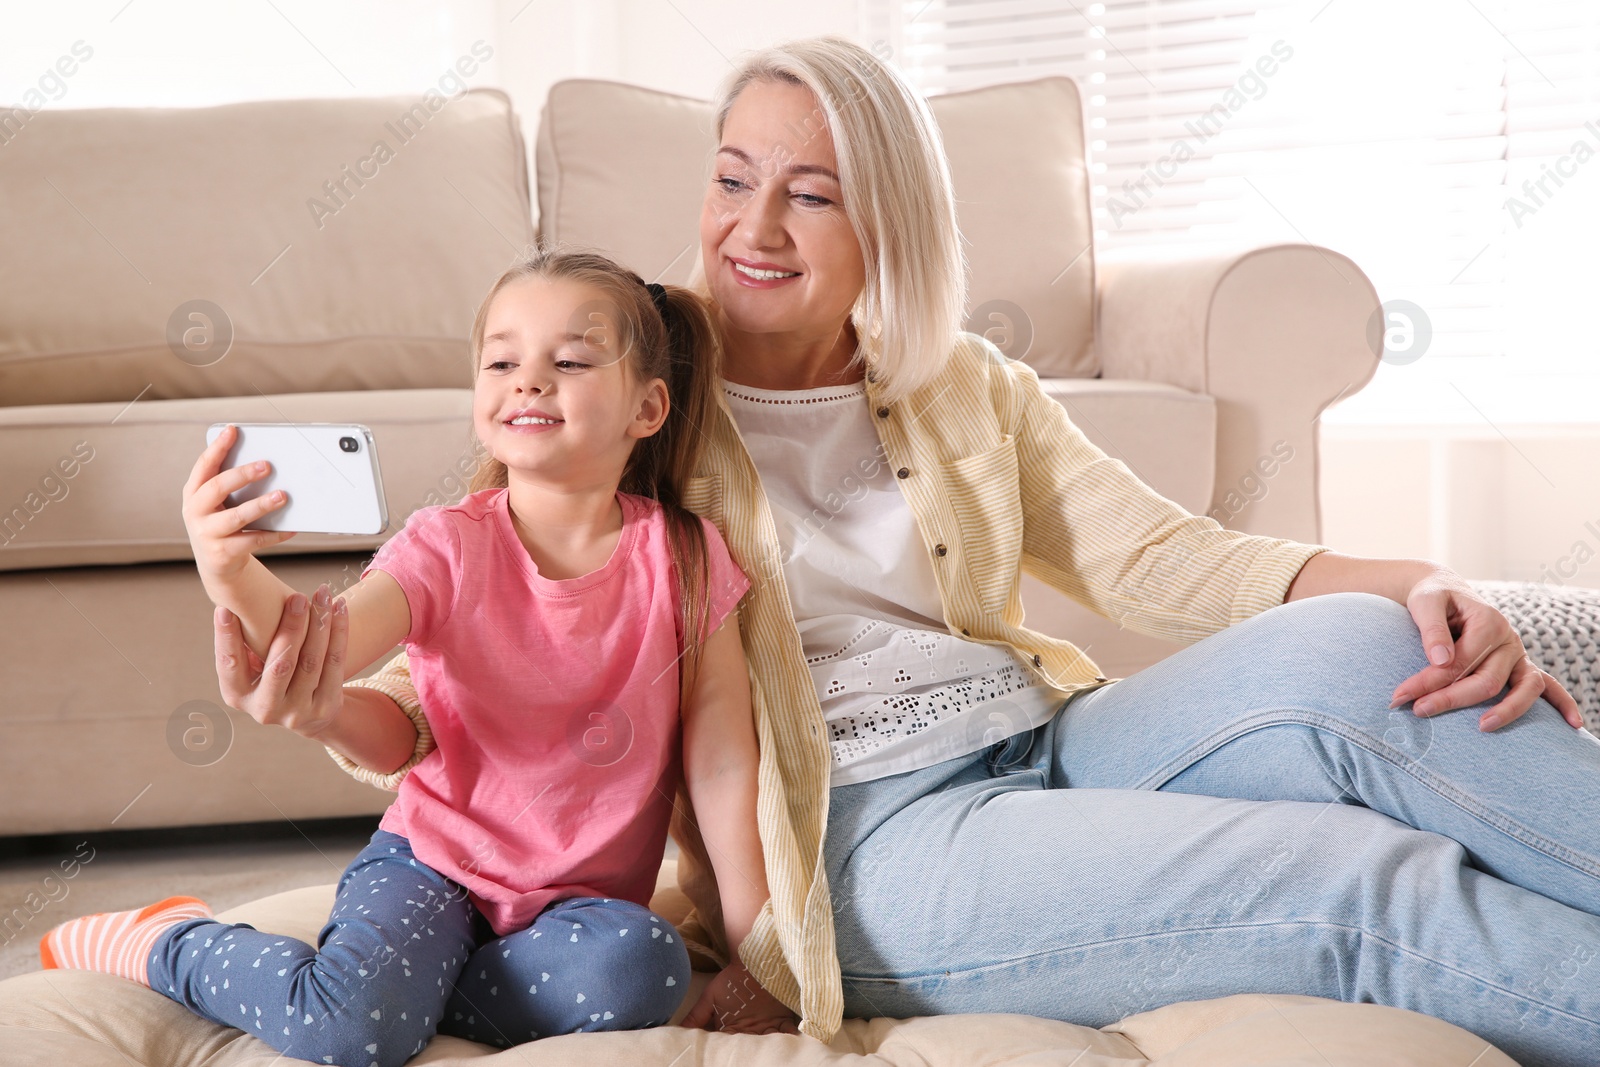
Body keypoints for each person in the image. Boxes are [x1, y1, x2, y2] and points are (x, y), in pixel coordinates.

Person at [207, 36, 1600, 1067]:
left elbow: (1166, 557)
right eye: (733, 177)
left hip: (1051, 737)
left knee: (1367, 650)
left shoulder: (960, 380)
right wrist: (313, 668)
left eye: (809, 194)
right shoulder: (629, 376)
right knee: (1347, 882)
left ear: (889, 221)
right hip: (870, 843)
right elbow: (482, 605)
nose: (753, 227)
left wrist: (1418, 581)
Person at [39, 248, 796, 1066]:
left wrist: (760, 951)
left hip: (579, 906)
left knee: (644, 963)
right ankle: (167, 942)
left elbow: (722, 763)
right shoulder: (447, 545)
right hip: (433, 866)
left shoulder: (687, 555)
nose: (528, 380)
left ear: (647, 408)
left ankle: (395, 989)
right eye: (502, 360)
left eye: (569, 361)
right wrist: (231, 571)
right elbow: (333, 637)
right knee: (350, 1031)